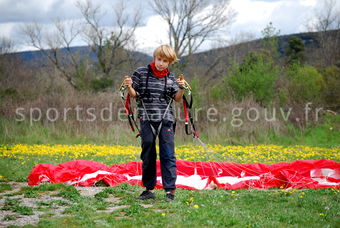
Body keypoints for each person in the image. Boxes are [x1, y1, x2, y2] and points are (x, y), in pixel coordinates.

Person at [123, 45, 185, 201]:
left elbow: (177, 98)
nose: (161, 63)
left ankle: (170, 191)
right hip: (146, 118)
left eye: (165, 61)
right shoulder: (141, 73)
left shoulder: (171, 78)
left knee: (168, 154)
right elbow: (135, 95)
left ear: (170, 63)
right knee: (148, 152)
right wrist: (129, 86)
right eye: (159, 59)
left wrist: (182, 88)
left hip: (166, 120)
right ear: (154, 57)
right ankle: (149, 189)